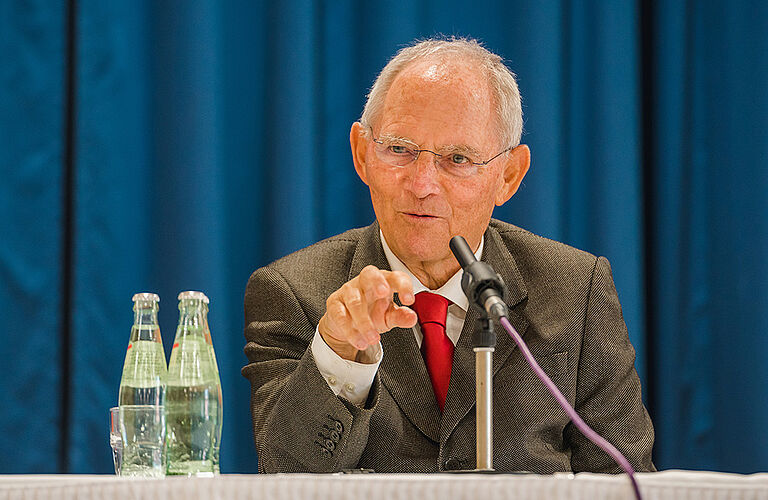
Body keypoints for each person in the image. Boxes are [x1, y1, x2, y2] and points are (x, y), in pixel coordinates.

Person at [242, 37, 654, 473]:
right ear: (363, 154)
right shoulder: (291, 291)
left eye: (457, 159)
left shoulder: (575, 289)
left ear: (509, 176)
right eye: (399, 150)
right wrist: (340, 354)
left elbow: (626, 480)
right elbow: (285, 478)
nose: (422, 185)